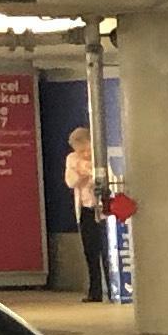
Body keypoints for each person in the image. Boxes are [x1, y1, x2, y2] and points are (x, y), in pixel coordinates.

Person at [62, 126, 106, 300]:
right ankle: (95, 291)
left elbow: (100, 177)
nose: (82, 153)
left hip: (102, 209)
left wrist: (85, 170)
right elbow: (71, 181)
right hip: (85, 210)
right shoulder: (72, 159)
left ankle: (111, 288)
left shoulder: (100, 155)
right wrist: (83, 172)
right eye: (79, 151)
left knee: (105, 249)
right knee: (90, 251)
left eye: (85, 149)